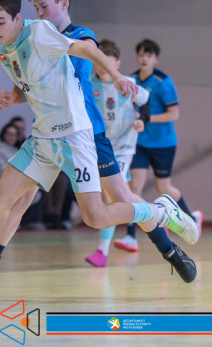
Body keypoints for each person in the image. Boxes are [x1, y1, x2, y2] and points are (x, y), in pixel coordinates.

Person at [0, 0, 198, 300]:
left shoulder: (41, 32)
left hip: (76, 134)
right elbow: (31, 86)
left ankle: (159, 212)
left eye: (0, 21)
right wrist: (12, 96)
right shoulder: (6, 52)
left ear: (18, 18)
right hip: (43, 138)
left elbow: (87, 48)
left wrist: (116, 76)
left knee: (96, 215)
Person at [84, 39, 151, 266]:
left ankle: (102, 251)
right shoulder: (87, 84)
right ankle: (157, 213)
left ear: (117, 65)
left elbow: (146, 101)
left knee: (112, 195)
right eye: (98, 62)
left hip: (123, 147)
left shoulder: (127, 83)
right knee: (114, 196)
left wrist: (142, 120)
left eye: (108, 63)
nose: (102, 67)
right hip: (101, 147)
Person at [128, 39, 203, 237]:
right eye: (141, 55)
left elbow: (173, 114)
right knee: (134, 187)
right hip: (140, 143)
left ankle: (191, 219)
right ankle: (130, 236)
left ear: (156, 59)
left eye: (149, 55)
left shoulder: (164, 82)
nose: (144, 59)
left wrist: (145, 118)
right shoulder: (131, 80)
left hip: (163, 143)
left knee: (163, 187)